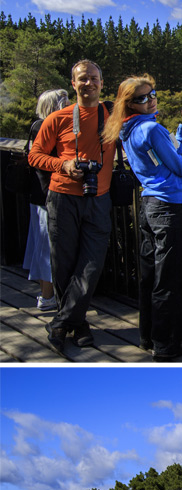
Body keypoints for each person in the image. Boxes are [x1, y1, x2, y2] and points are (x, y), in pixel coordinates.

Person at [104, 75, 182, 361]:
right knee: (169, 280)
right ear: (129, 103)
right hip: (168, 209)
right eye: (142, 98)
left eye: (152, 94)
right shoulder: (151, 128)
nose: (151, 100)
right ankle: (166, 346)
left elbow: (166, 157)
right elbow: (179, 165)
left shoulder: (128, 128)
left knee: (150, 276)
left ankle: (147, 337)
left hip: (149, 206)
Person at [27, 60, 116, 356]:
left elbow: (148, 123)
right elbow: (35, 156)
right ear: (73, 83)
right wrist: (62, 164)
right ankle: (78, 326)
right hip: (62, 196)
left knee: (91, 266)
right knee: (63, 264)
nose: (88, 83)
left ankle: (60, 323)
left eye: (94, 78)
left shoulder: (113, 115)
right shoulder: (58, 118)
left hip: (98, 198)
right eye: (82, 79)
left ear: (102, 83)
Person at [24, 88, 71, 312]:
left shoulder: (37, 125)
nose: (69, 104)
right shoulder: (46, 126)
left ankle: (48, 294)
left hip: (38, 193)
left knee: (43, 244)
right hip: (47, 194)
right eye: (65, 101)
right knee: (47, 247)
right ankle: (47, 297)